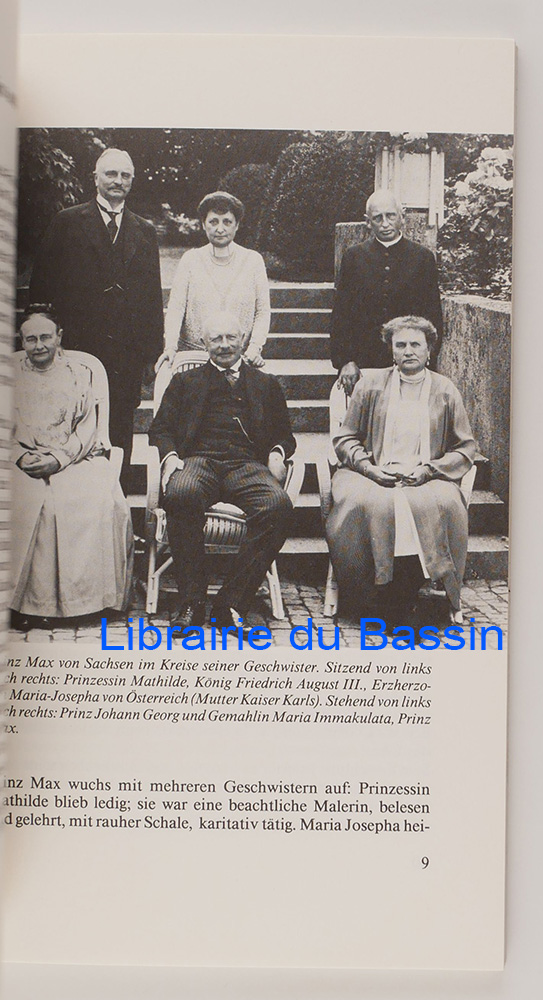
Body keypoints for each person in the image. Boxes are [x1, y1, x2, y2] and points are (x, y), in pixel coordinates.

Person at [149, 310, 295, 631]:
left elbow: (285, 434)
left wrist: (277, 452)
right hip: (199, 461)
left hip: (246, 465)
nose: (224, 345)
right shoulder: (185, 381)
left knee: (278, 506)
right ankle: (191, 601)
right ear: (204, 343)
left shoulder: (265, 383)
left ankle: (230, 603)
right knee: (181, 492)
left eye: (231, 337)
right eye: (216, 338)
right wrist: (170, 457)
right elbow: (160, 429)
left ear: (243, 340)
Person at [325, 316, 476, 625]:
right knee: (375, 502)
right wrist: (368, 468)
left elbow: (465, 448)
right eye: (401, 345)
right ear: (391, 350)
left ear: (429, 350)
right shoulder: (370, 384)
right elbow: (345, 438)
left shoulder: (445, 390)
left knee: (434, 502)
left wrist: (430, 469)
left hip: (427, 474)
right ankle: (382, 596)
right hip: (372, 471)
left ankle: (401, 598)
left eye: (416, 345)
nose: (408, 351)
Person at [29, 148, 164, 490]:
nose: (118, 181)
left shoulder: (144, 231)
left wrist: (151, 354)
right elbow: (42, 285)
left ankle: (116, 503)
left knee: (119, 429)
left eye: (125, 175)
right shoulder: (67, 222)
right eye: (111, 174)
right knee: (72, 423)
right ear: (95, 178)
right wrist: (50, 340)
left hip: (125, 355)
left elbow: (151, 296)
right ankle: (72, 500)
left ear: (132, 181)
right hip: (77, 347)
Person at [11, 306, 134, 628]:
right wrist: (20, 456)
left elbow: (88, 427)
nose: (39, 345)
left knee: (92, 500)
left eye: (46, 337)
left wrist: (59, 459)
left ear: (59, 337)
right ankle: (26, 606)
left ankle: (90, 602)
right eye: (31, 339)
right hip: (24, 460)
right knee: (27, 501)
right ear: (21, 341)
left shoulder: (79, 374)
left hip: (74, 458)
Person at [330, 189, 443, 395]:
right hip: (364, 362)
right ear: (368, 222)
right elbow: (342, 314)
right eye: (377, 218)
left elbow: (432, 316)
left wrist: (425, 359)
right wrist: (346, 361)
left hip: (411, 360)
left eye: (390, 216)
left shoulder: (422, 258)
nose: (385, 223)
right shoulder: (354, 257)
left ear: (402, 217)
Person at [155, 191, 270, 372]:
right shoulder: (190, 260)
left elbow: (262, 310)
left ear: (237, 225)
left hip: (239, 359)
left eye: (227, 222)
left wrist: (255, 348)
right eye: (213, 222)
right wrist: (170, 347)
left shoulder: (253, 261)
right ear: (203, 224)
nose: (220, 229)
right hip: (194, 360)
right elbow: (176, 308)